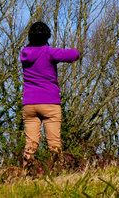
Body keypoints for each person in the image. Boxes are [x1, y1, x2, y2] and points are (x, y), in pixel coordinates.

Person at [19, 21, 79, 166]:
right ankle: (56, 171)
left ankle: (27, 173)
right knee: (54, 143)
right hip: (50, 102)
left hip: (29, 103)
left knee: (30, 145)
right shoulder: (49, 53)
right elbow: (74, 55)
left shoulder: (25, 54)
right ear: (47, 37)